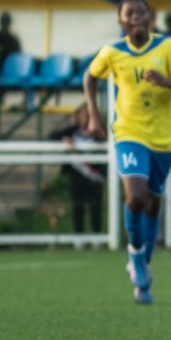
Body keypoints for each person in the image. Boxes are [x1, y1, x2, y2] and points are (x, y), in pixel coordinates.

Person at [83, 0, 171, 304]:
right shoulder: (113, 52)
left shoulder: (168, 46)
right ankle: (134, 253)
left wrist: (166, 82)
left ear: (150, 18)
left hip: (162, 137)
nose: (136, 17)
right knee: (136, 197)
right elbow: (90, 77)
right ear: (121, 21)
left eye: (141, 12)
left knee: (153, 204)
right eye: (129, 13)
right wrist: (94, 114)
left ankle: (143, 267)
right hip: (129, 133)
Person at [49, 104, 108, 243]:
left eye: (87, 115)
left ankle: (97, 238)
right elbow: (53, 136)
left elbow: (105, 142)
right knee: (78, 207)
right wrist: (64, 139)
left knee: (95, 208)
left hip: (94, 176)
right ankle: (79, 239)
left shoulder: (99, 132)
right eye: (81, 115)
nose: (84, 118)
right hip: (76, 176)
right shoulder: (72, 131)